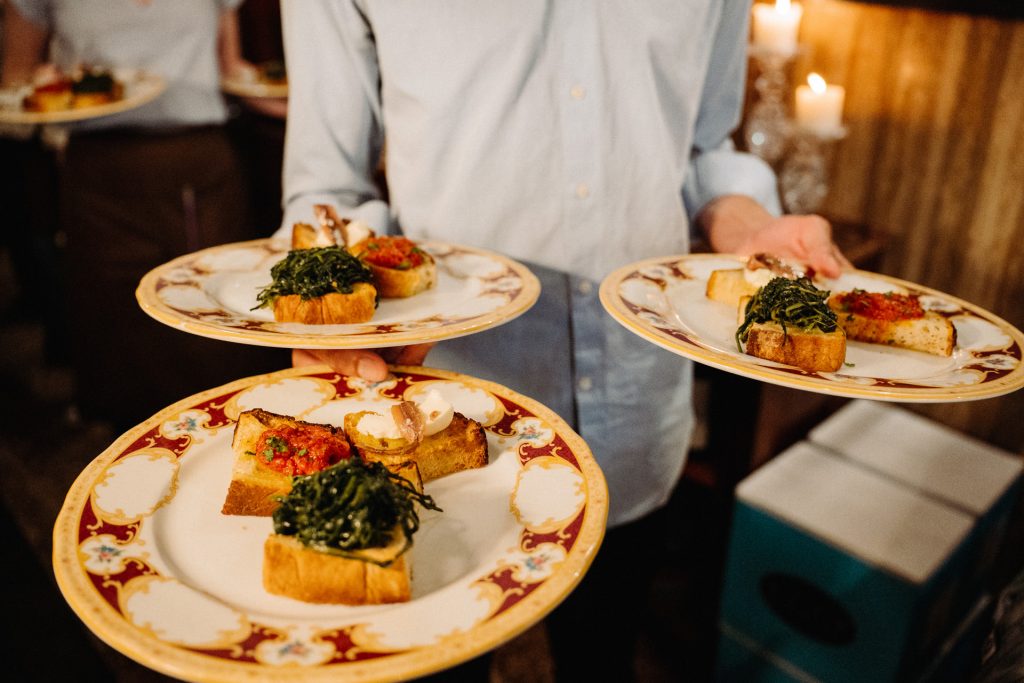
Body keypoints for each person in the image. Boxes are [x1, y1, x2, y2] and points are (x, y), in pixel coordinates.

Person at [275, 1, 851, 679]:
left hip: (635, 412)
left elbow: (699, 150)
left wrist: (748, 225)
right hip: (448, 419)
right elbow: (328, 186)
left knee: (604, 657)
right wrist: (330, 311)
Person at [2, 0, 286, 431]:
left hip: (200, 161)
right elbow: (14, 79)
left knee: (215, 319)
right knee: (117, 329)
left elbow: (231, 68)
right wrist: (44, 83)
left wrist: (306, 109)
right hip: (98, 170)